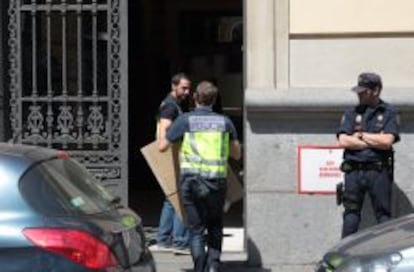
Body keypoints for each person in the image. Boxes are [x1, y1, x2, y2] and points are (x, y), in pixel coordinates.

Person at [158, 81, 242, 272]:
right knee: (214, 226)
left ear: (195, 98)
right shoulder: (225, 122)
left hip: (191, 182)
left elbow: (162, 147)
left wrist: (164, 130)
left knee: (195, 229)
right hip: (216, 183)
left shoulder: (185, 120)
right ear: (214, 100)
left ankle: (199, 267)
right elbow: (236, 154)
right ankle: (213, 266)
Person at [337, 72, 400, 238]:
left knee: (383, 217)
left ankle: (387, 256)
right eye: (358, 91)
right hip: (353, 172)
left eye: (363, 91)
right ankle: (343, 257)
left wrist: (361, 136)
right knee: (350, 215)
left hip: (378, 172)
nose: (359, 94)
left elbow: (387, 141)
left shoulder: (388, 112)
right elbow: (343, 140)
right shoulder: (352, 112)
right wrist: (375, 139)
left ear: (376, 90)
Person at [154, 72, 191, 253]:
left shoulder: (171, 104)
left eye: (188, 88)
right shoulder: (170, 106)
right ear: (173, 86)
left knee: (170, 198)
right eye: (184, 88)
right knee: (180, 198)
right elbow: (165, 127)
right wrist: (164, 149)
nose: (187, 91)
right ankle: (180, 240)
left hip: (169, 154)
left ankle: (163, 238)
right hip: (171, 155)